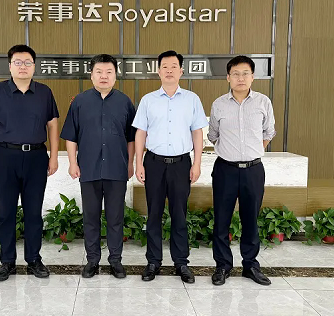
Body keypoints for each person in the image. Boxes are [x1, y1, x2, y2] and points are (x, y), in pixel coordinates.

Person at [0, 44, 59, 281]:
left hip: (36, 156)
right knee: (6, 212)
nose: (22, 67)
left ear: (34, 66)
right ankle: (7, 261)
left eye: (27, 62)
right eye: (18, 62)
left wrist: (54, 156)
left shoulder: (44, 92)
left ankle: (34, 259)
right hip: (5, 156)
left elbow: (52, 125)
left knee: (33, 211)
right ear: (10, 66)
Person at [132, 50, 208, 283]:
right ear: (158, 71)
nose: (169, 70)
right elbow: (140, 133)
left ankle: (181, 262)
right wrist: (138, 162)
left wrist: (197, 163)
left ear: (181, 71)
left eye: (174, 66)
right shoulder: (148, 100)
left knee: (179, 214)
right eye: (164, 66)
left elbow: (197, 132)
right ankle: (153, 262)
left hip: (181, 164)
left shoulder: (192, 99)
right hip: (154, 163)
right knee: (153, 214)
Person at [61, 54, 136, 279]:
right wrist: (72, 163)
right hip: (89, 169)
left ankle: (115, 261)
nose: (104, 76)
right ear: (91, 75)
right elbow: (71, 136)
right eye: (99, 72)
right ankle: (92, 260)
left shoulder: (125, 102)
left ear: (115, 75)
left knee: (115, 218)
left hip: (116, 169)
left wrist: (130, 163)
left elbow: (131, 138)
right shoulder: (80, 102)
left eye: (109, 72)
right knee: (90, 218)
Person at [207, 55, 276, 286]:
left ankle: (250, 265)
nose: (241, 78)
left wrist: (252, 151)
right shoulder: (218, 104)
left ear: (252, 77)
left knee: (250, 220)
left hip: (253, 170)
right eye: (235, 74)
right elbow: (213, 135)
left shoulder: (263, 102)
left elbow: (268, 133)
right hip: (225, 169)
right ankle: (222, 266)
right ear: (228, 77)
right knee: (221, 220)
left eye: (245, 73)